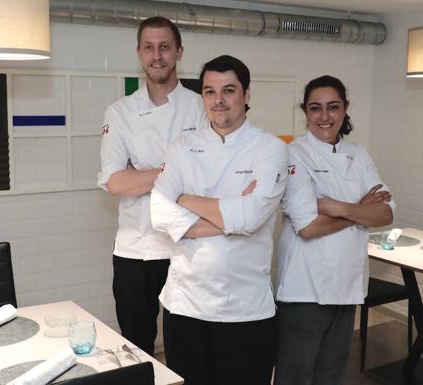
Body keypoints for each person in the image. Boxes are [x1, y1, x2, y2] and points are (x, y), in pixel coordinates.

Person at [150, 55, 288, 385]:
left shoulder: (270, 148)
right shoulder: (182, 147)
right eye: (210, 92)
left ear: (246, 94)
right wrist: (233, 215)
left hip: (247, 310)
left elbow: (252, 216)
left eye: (228, 90)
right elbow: (158, 211)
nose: (219, 100)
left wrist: (185, 201)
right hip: (185, 306)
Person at [274, 75, 395, 385]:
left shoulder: (359, 154)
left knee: (331, 376)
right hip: (305, 289)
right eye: (315, 108)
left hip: (347, 284)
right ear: (305, 112)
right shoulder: (292, 154)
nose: (324, 117)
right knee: (295, 377)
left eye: (332, 107)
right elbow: (308, 227)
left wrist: (339, 207)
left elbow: (386, 212)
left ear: (345, 109)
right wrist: (360, 210)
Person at [97, 16, 206, 356]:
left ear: (178, 51)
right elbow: (115, 181)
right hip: (136, 247)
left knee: (187, 345)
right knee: (135, 344)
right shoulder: (119, 112)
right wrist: (175, 171)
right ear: (139, 53)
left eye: (164, 47)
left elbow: (208, 177)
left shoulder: (201, 106)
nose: (156, 55)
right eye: (149, 47)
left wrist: (143, 174)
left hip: (188, 245)